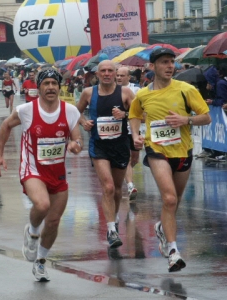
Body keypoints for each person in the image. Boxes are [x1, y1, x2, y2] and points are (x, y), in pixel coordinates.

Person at [0, 68, 83, 282]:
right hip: (32, 170)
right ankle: (31, 231)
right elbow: (5, 125)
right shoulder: (26, 110)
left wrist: (75, 145)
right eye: (46, 83)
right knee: (42, 205)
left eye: (54, 83)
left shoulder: (70, 111)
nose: (50, 87)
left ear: (60, 87)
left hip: (57, 173)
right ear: (38, 87)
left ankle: (40, 262)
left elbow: (77, 139)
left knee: (53, 222)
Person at [129, 48, 211, 272]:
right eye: (164, 62)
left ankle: (162, 227)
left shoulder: (186, 90)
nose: (169, 66)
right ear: (153, 66)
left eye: (172, 62)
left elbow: (206, 117)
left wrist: (186, 119)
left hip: (183, 151)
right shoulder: (144, 94)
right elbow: (134, 114)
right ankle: (174, 251)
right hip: (157, 150)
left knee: (173, 201)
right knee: (169, 198)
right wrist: (136, 134)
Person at [76, 60, 135, 248]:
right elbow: (74, 113)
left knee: (117, 189)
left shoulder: (125, 93)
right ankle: (111, 229)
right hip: (99, 145)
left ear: (116, 73)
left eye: (111, 70)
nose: (107, 73)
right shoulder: (88, 93)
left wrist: (124, 115)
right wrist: (83, 122)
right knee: (108, 187)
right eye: (104, 71)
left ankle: (115, 219)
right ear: (98, 74)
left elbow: (139, 114)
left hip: (120, 145)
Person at [116, 66, 141, 200]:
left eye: (122, 75)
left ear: (128, 77)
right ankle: (130, 185)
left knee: (134, 159)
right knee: (127, 159)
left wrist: (124, 114)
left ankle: (124, 174)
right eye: (117, 75)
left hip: (134, 129)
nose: (119, 78)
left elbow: (140, 112)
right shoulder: (112, 89)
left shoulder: (136, 90)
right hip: (121, 129)